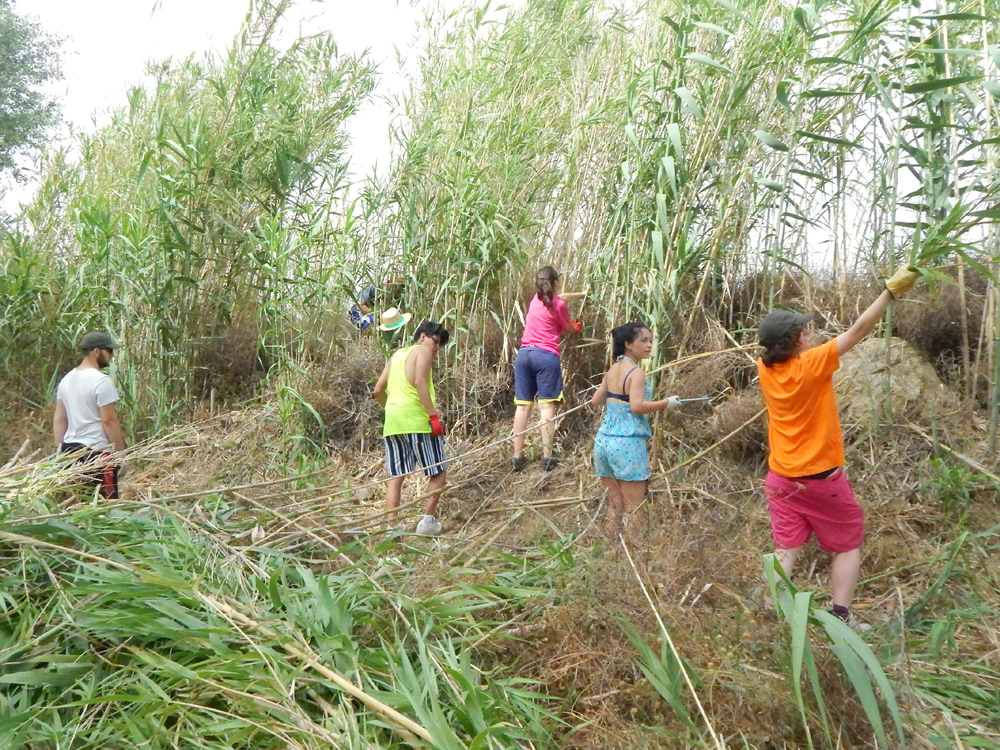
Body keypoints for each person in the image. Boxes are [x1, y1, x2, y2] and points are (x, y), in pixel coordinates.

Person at [757, 265, 921, 629]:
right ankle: (841, 617)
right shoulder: (812, 364)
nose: (810, 333)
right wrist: (889, 292)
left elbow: (774, 351)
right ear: (796, 340)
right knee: (848, 542)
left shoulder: (764, 368)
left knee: (787, 546)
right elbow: (859, 330)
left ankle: (770, 611)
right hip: (819, 480)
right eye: (804, 330)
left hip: (781, 477)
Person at [590, 322, 681, 538]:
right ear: (628, 344)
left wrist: (616, 399)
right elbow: (637, 406)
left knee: (615, 501)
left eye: (650, 340)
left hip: (603, 441)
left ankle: (610, 552)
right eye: (644, 340)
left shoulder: (613, 369)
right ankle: (633, 557)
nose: (649, 345)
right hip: (627, 443)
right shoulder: (636, 372)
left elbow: (595, 400)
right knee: (634, 506)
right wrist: (667, 402)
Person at [373, 321, 450, 536]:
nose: (436, 348)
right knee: (438, 472)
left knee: (396, 477)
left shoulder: (396, 355)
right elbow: (419, 382)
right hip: (418, 421)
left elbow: (378, 389)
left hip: (393, 423)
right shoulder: (422, 351)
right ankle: (427, 523)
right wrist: (433, 417)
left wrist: (391, 409)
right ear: (423, 336)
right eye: (436, 342)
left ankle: (392, 528)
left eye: (439, 345)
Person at [511, 266, 585, 472]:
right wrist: (576, 326)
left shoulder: (535, 300)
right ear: (554, 283)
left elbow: (561, 298)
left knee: (523, 407)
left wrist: (580, 294)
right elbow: (567, 328)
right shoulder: (557, 305)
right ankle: (547, 456)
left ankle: (517, 457)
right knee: (546, 408)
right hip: (546, 357)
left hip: (524, 355)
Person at [53, 332, 127, 499]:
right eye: (109, 351)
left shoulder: (66, 380)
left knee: (78, 502)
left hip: (70, 451)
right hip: (97, 453)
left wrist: (59, 450)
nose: (111, 356)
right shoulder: (101, 381)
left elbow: (59, 419)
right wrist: (121, 453)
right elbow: (109, 421)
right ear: (96, 351)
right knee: (103, 506)